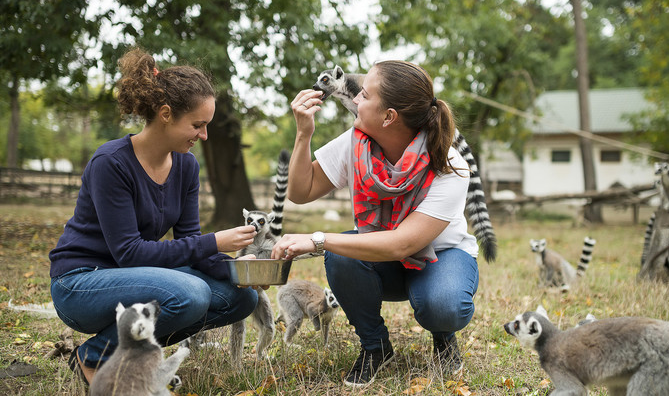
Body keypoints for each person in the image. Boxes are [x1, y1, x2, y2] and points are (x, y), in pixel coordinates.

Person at [49, 48, 259, 384]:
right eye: (198, 125)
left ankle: (127, 360)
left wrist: (240, 271)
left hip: (136, 278)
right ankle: (92, 357)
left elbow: (189, 243)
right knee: (190, 295)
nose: (203, 136)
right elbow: (129, 253)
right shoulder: (111, 163)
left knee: (241, 298)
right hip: (81, 283)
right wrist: (214, 241)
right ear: (165, 114)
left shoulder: (187, 166)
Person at [272, 60, 480, 387]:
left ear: (389, 117)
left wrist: (317, 239)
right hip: (384, 262)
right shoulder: (355, 144)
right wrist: (303, 134)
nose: (355, 100)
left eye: (364, 96)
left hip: (440, 257)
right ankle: (375, 346)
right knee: (340, 254)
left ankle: (443, 335)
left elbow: (403, 244)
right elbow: (301, 191)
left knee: (443, 305)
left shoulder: (449, 164)